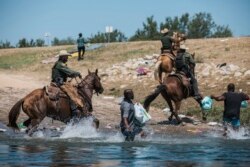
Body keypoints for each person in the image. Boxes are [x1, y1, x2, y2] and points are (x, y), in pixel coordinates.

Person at [51, 50, 83, 117]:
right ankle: (74, 109)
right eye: (66, 57)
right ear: (62, 57)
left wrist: (73, 75)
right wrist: (77, 73)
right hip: (59, 83)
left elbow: (68, 73)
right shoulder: (60, 64)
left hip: (59, 81)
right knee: (71, 93)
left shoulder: (59, 64)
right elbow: (70, 72)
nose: (67, 58)